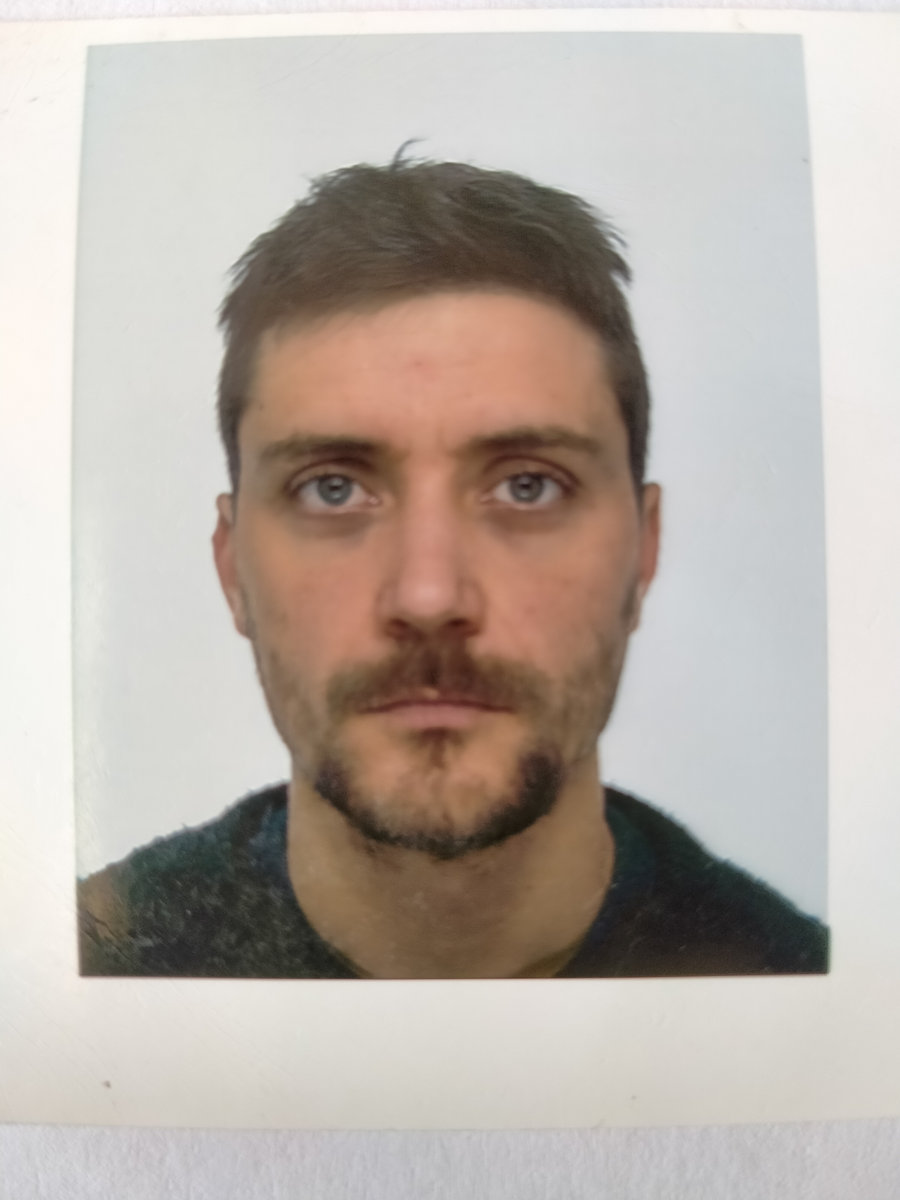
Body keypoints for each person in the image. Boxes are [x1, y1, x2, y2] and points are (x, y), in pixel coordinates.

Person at [78, 154, 827, 979]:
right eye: (332, 489)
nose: (430, 596)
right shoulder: (75, 974)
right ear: (232, 570)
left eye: (528, 485)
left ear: (644, 551)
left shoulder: (814, 1000)